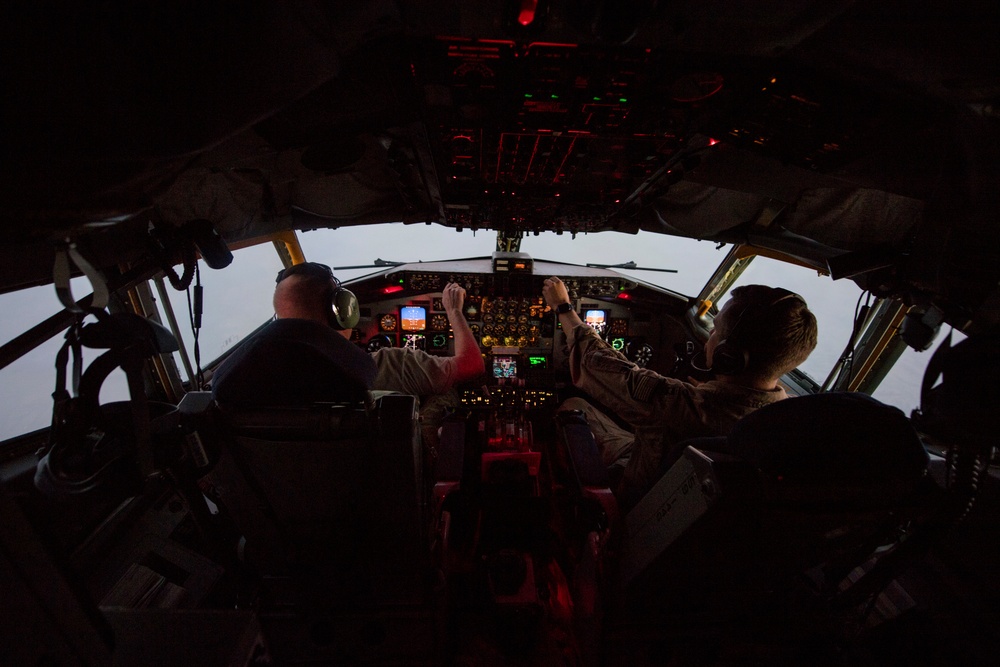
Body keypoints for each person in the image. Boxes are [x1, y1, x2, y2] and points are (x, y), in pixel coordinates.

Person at [542, 277, 818, 507]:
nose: (709, 335)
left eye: (715, 330)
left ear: (728, 356)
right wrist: (712, 391)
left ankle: (563, 499)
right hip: (674, 491)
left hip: (637, 491)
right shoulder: (787, 417)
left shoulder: (681, 406)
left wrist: (564, 308)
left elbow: (601, 366)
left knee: (573, 405)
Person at [212, 262, 484, 410]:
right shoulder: (388, 366)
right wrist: (454, 311)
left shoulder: (242, 384)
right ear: (343, 310)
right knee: (443, 394)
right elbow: (471, 365)